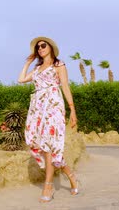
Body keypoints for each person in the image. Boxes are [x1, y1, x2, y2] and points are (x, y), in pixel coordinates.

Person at [17, 36, 80, 203]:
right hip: (38, 108)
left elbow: (65, 86)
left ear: (50, 47)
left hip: (53, 106)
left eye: (43, 45)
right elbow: (21, 79)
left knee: (49, 145)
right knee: (40, 145)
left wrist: (72, 110)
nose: (40, 49)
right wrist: (28, 63)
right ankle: (72, 176)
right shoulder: (37, 68)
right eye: (37, 47)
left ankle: (48, 186)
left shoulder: (58, 65)